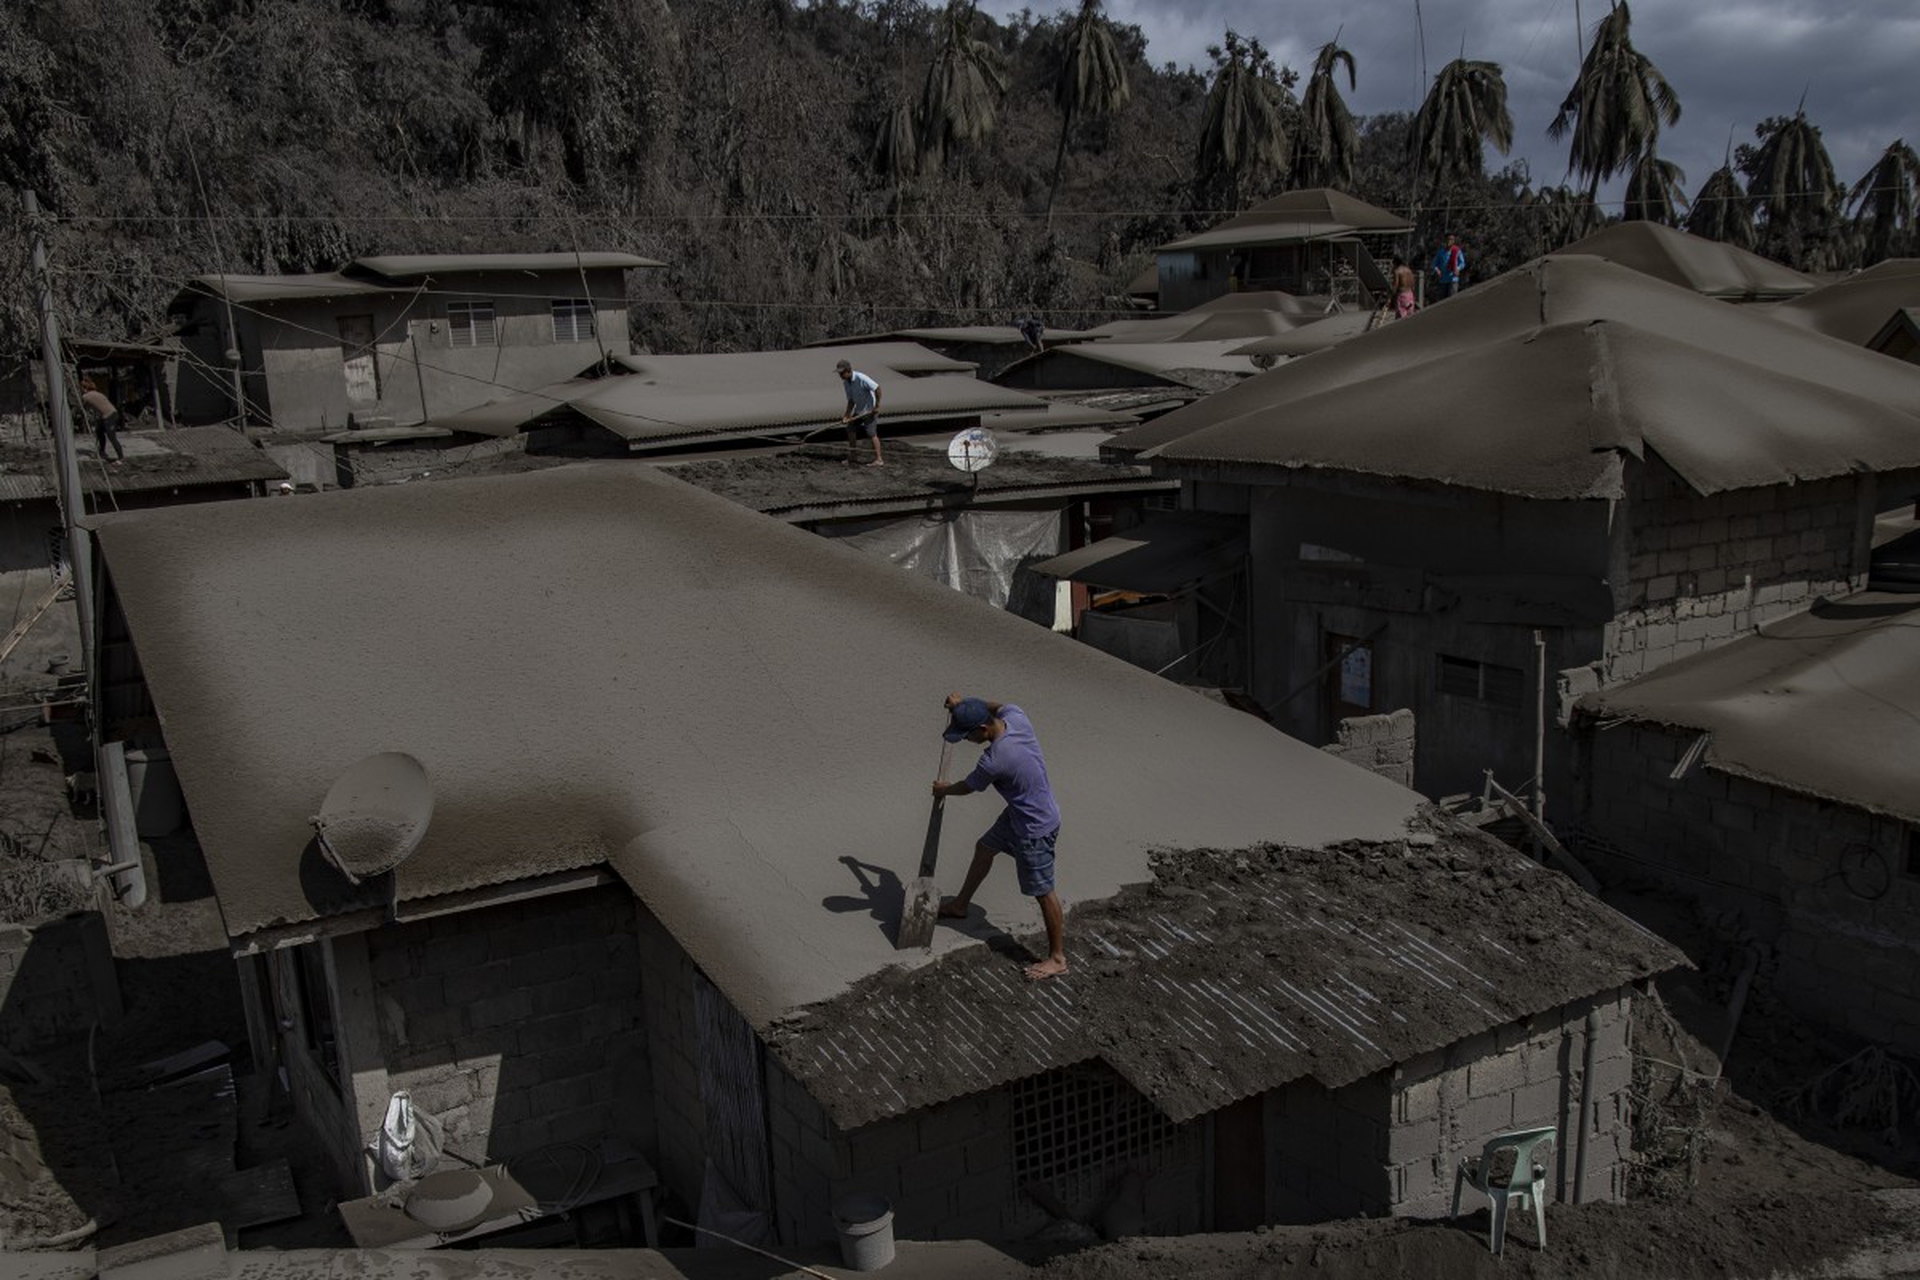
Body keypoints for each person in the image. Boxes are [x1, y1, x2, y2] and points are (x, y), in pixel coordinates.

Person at [932, 693, 1067, 980]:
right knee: (984, 848)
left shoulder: (994, 760)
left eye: (965, 736)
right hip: (1019, 814)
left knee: (1043, 892)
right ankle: (959, 906)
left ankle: (1057, 958)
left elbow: (969, 786)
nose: (965, 742)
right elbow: (995, 706)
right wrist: (963, 705)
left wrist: (944, 790)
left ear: (982, 730)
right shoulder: (1017, 717)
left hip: (1035, 827)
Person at [835, 358, 883, 466]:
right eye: (839, 373)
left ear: (848, 371)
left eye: (842, 373)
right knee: (850, 428)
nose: (840, 376)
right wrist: (846, 415)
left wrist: (877, 406)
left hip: (869, 411)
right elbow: (851, 401)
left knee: (871, 433)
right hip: (859, 410)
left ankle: (879, 459)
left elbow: (877, 388)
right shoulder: (846, 383)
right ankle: (853, 457)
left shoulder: (861, 378)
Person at [79, 377, 126, 464]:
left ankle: (121, 457)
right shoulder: (97, 393)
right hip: (108, 414)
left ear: (84, 388)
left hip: (110, 416)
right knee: (99, 432)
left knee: (111, 437)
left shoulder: (86, 396)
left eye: (81, 388)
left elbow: (82, 408)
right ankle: (102, 452)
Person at [1431, 233, 1467, 300]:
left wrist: (1458, 268)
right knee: (1442, 300)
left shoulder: (1457, 251)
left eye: (1451, 239)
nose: (1449, 241)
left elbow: (1462, 263)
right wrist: (1437, 270)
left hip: (1453, 279)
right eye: (1448, 239)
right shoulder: (1441, 252)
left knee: (1452, 299)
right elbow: (1435, 264)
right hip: (1443, 280)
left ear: (1453, 241)